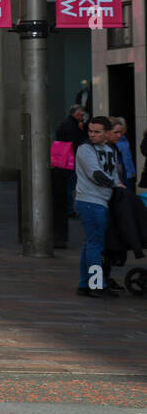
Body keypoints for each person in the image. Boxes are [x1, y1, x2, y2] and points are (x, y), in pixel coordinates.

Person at [75, 116, 124, 298]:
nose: (92, 134)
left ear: (107, 133)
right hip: (90, 201)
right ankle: (96, 285)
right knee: (95, 245)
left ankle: (84, 284)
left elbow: (110, 173)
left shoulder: (109, 149)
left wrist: (114, 183)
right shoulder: (85, 149)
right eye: (90, 131)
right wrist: (114, 184)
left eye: (97, 132)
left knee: (91, 244)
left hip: (99, 201)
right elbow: (96, 174)